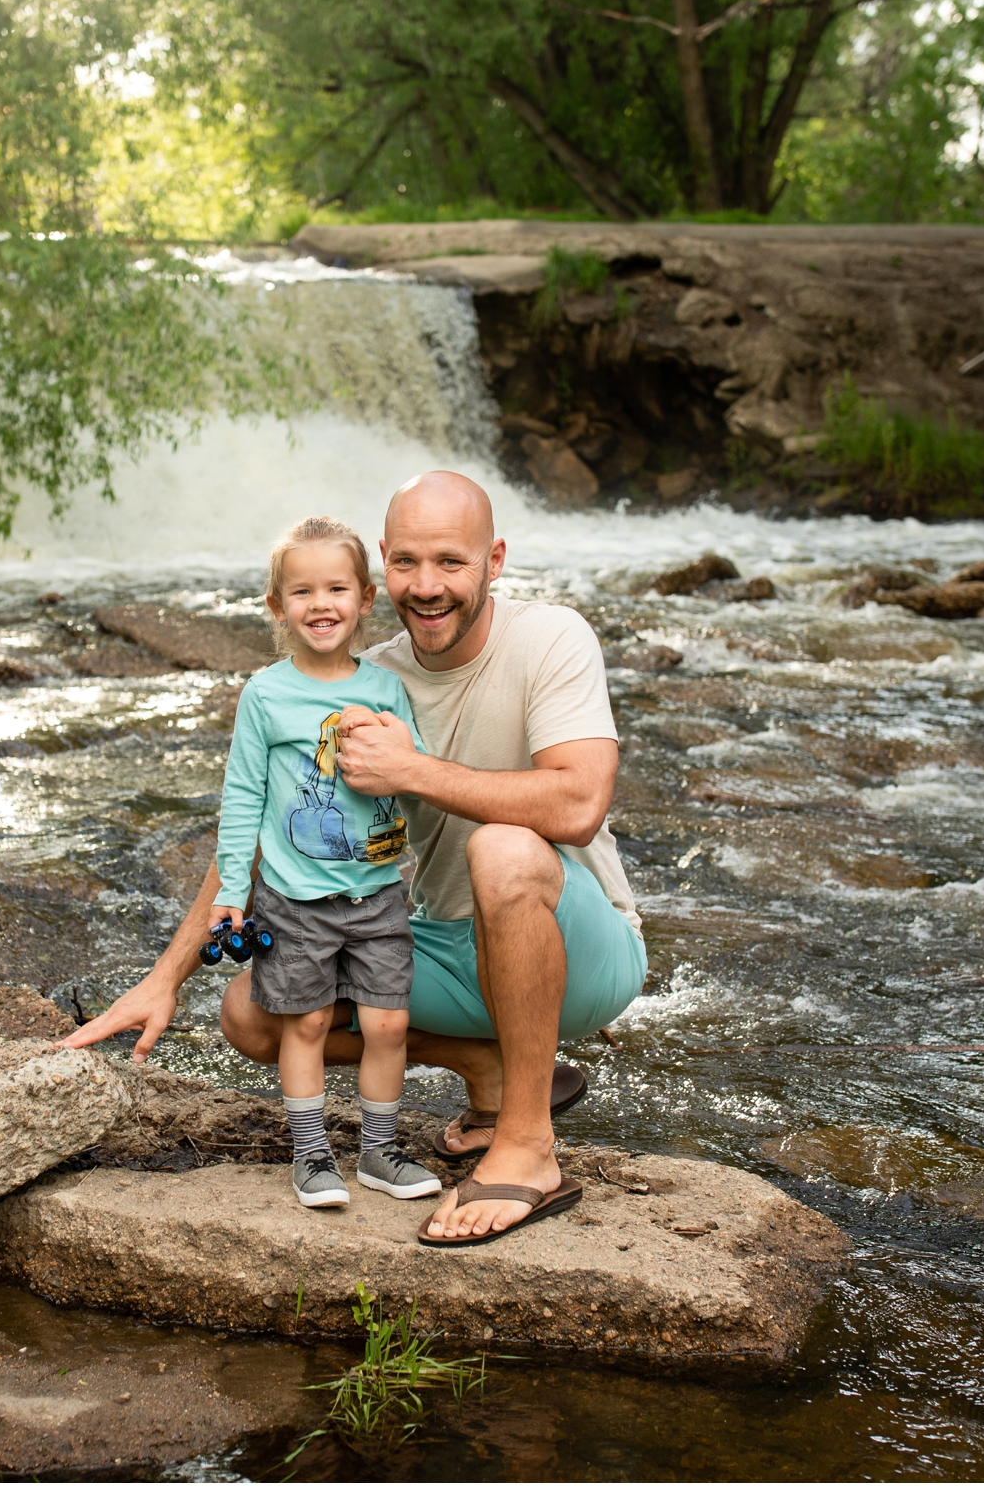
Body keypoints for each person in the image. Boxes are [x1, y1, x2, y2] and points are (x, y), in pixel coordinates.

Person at [65, 472, 645, 1247]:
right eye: (407, 562)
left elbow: (579, 804)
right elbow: (268, 827)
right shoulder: (358, 678)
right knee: (252, 1011)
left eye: (451, 562)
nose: (427, 586)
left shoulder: (550, 637)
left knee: (501, 849)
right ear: (380, 569)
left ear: (495, 559)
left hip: (579, 944)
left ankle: (529, 1148)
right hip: (449, 944)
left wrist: (410, 771)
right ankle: (491, 1067)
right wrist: (165, 976)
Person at [207, 514, 442, 1208]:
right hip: (294, 895)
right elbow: (243, 793)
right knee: (305, 1022)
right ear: (278, 607)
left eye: (336, 587)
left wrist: (401, 757)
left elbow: (414, 777)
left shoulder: (384, 690)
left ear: (365, 598)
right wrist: (229, 887)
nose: (321, 604)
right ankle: (312, 1155)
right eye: (302, 591)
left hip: (376, 892)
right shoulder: (266, 695)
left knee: (388, 1023)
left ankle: (379, 1151)